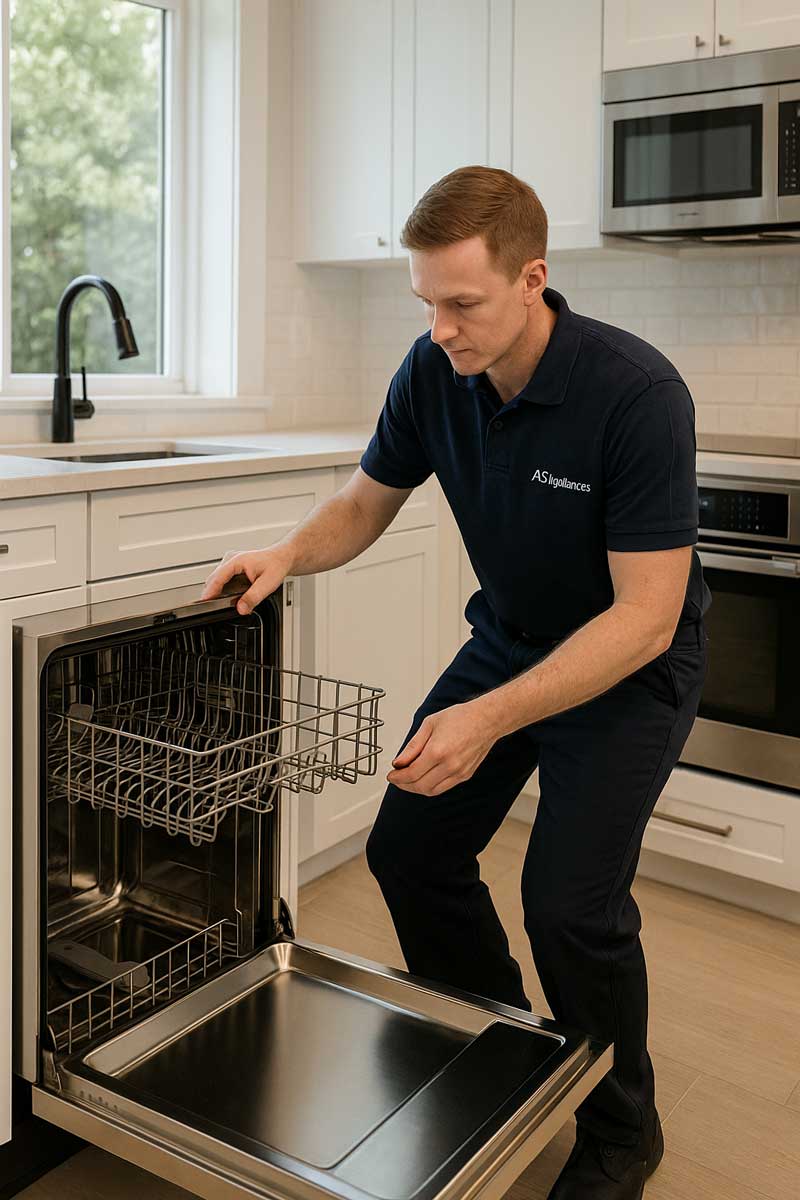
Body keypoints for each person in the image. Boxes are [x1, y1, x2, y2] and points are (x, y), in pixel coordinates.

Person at [202, 165, 710, 1200]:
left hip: (625, 666)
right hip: (510, 642)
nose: (439, 327)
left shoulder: (634, 393)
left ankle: (621, 1129)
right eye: (424, 302)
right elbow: (362, 499)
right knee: (411, 848)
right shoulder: (433, 369)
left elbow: (644, 617)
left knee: (569, 906)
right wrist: (284, 556)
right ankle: (509, 1046)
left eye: (461, 303)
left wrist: (485, 715)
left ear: (532, 280)